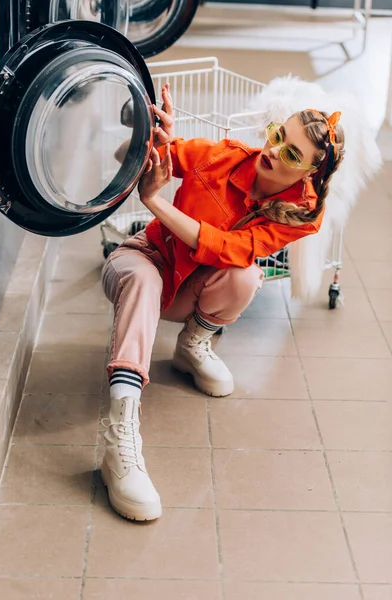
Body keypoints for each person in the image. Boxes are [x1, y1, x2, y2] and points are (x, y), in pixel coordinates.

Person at [101, 84, 345, 522]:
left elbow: (229, 249)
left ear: (309, 174)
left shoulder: (304, 214)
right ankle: (120, 437)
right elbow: (125, 157)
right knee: (141, 279)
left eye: (292, 154)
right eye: (276, 135)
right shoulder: (223, 156)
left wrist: (154, 201)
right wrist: (151, 140)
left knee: (246, 274)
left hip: (192, 287)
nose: (272, 150)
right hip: (146, 259)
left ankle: (192, 345)